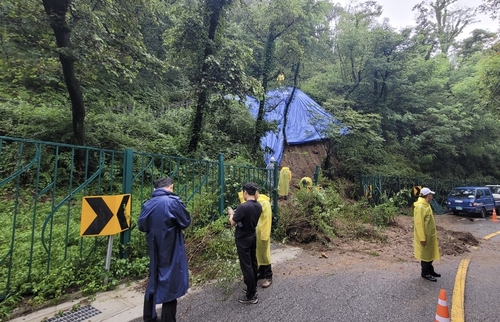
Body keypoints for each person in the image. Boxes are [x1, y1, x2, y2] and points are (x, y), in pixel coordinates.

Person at [138, 177, 191, 322]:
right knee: (170, 283)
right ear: (171, 187)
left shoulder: (148, 204)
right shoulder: (172, 202)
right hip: (171, 248)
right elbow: (185, 221)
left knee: (153, 279)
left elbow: (141, 225)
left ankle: (149, 317)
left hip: (154, 249)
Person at [229, 182, 262, 304]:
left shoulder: (243, 207)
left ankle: (251, 295)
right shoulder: (258, 206)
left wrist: (232, 214)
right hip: (252, 236)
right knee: (253, 263)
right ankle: (253, 288)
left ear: (245, 192)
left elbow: (232, 222)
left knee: (246, 265)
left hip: (243, 239)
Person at [413, 187, 441, 282]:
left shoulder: (427, 205)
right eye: (431, 194)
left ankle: (430, 270)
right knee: (425, 255)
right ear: (428, 195)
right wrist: (422, 238)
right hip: (424, 236)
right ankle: (425, 272)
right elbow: (419, 224)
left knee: (430, 254)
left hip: (430, 235)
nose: (432, 196)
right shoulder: (420, 207)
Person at [255, 190, 273, 288]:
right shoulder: (255, 201)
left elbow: (267, 219)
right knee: (258, 253)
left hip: (262, 232)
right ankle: (261, 272)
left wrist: (265, 234)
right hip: (256, 232)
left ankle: (269, 276)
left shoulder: (264, 203)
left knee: (265, 254)